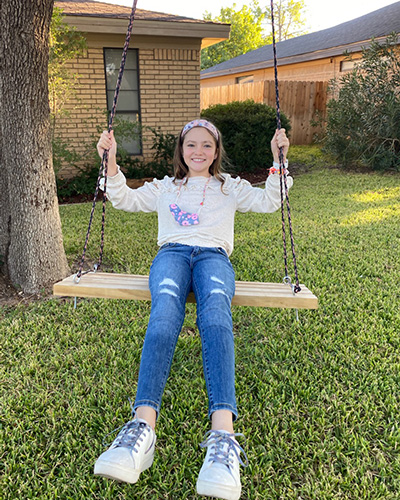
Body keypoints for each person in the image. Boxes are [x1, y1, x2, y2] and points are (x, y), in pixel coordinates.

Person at [93, 119, 291, 500]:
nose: (198, 152)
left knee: (216, 319)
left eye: (206, 146)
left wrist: (277, 158)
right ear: (180, 151)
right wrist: (111, 161)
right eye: (190, 145)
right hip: (171, 254)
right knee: (164, 318)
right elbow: (124, 198)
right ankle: (141, 429)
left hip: (214, 257)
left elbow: (270, 201)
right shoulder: (166, 188)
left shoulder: (229, 187)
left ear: (216, 151)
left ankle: (223, 437)